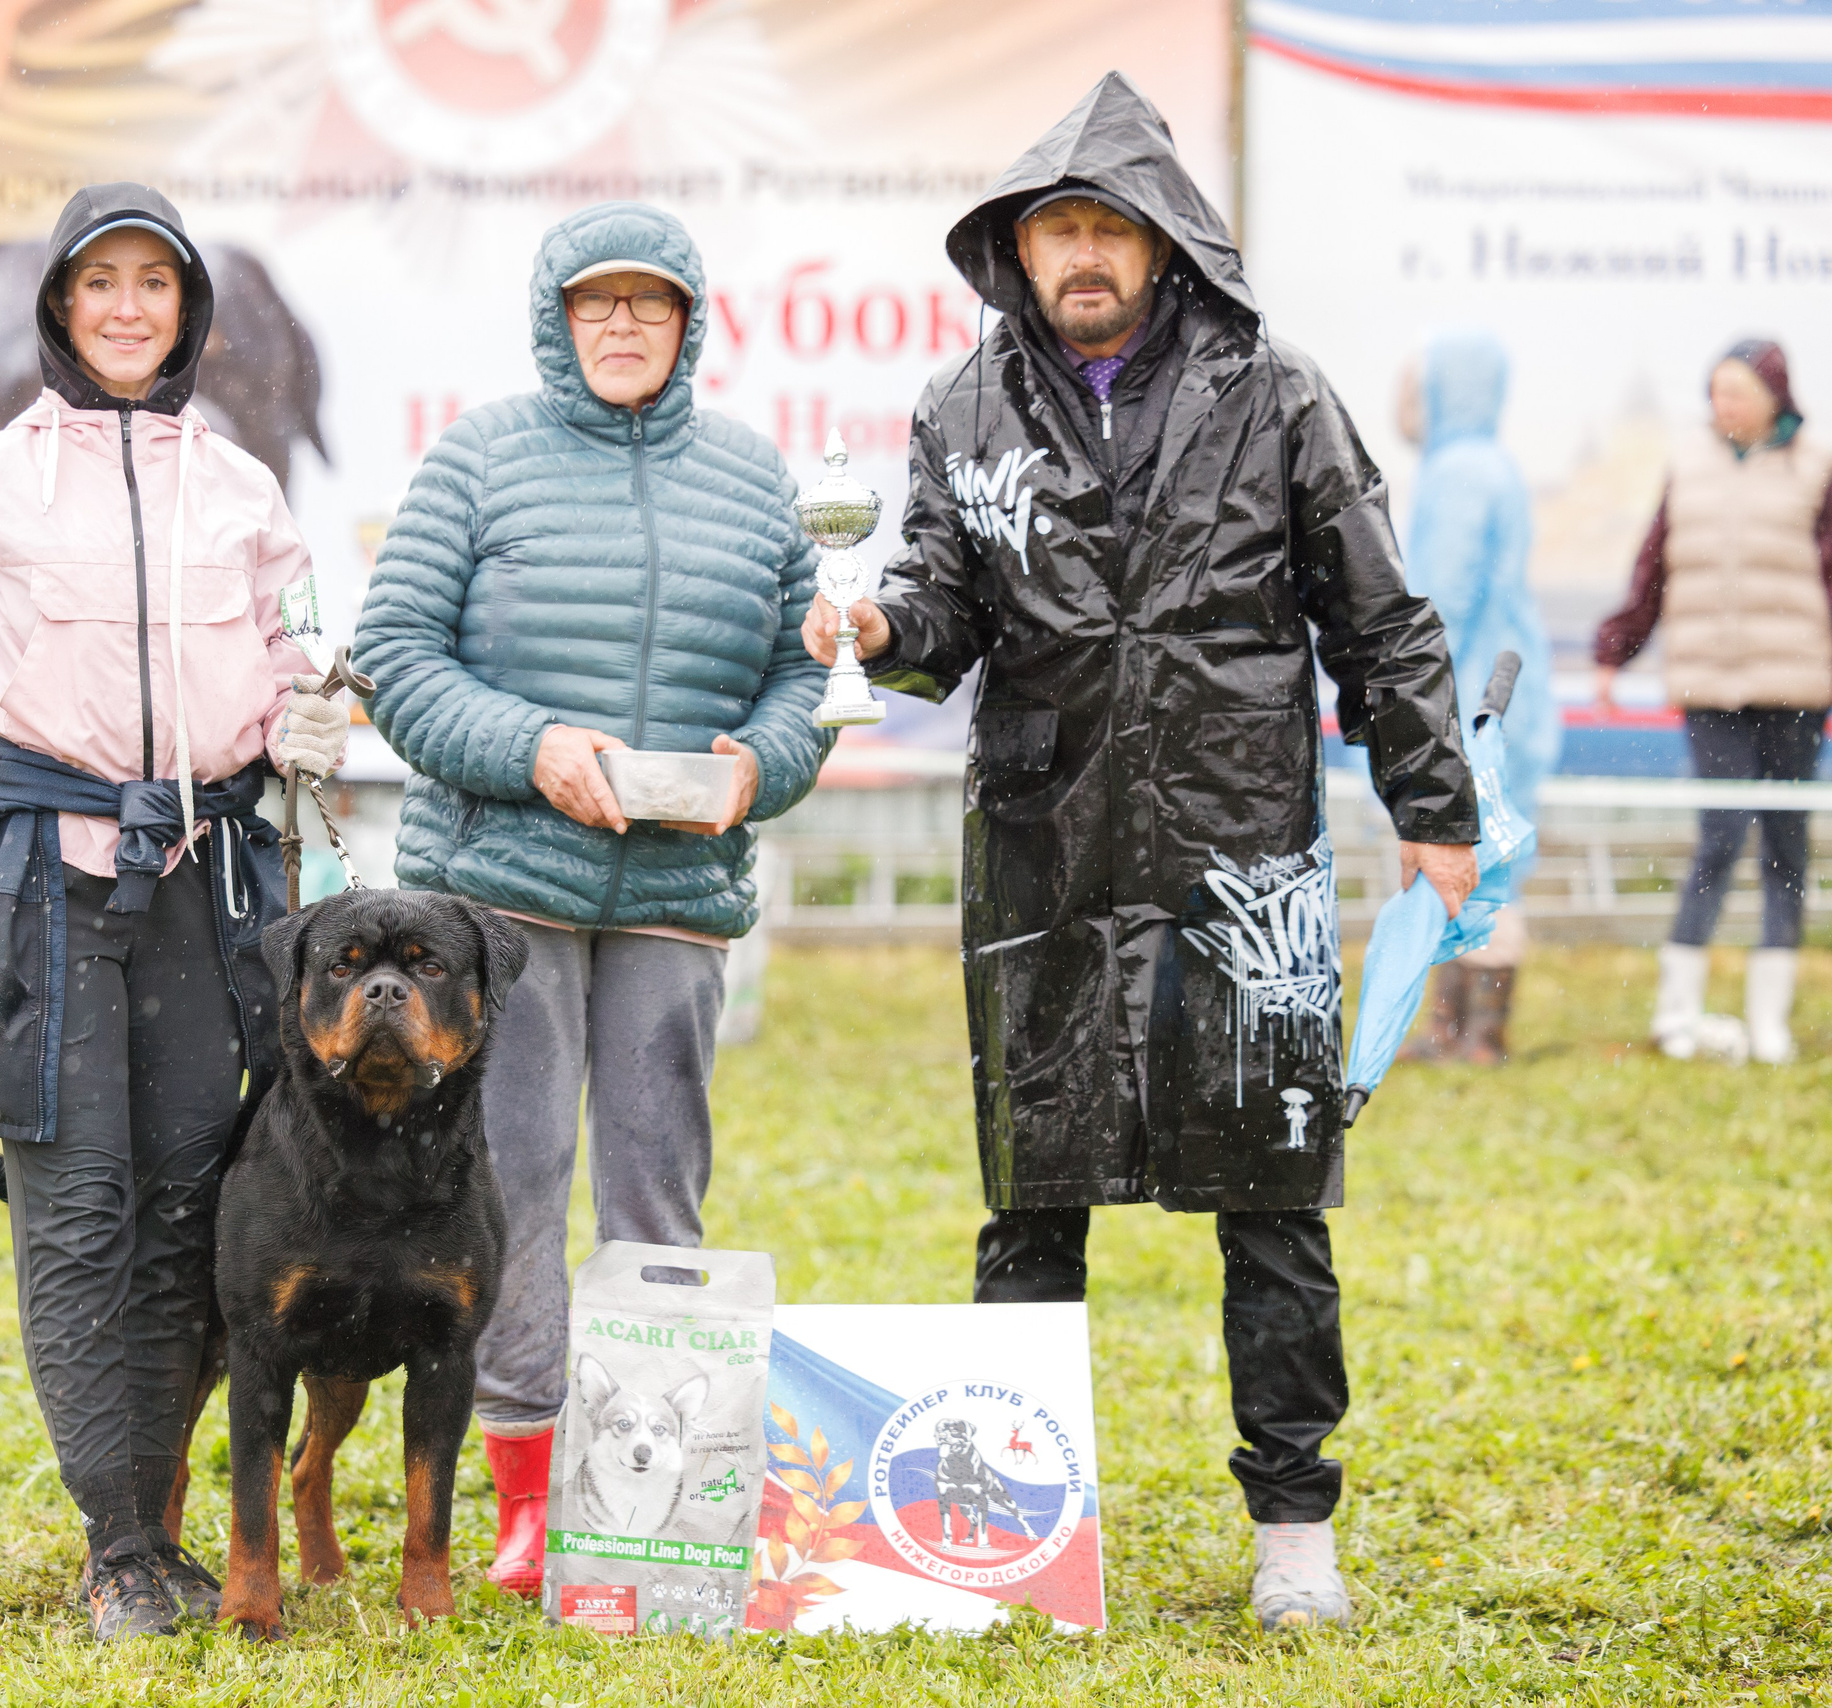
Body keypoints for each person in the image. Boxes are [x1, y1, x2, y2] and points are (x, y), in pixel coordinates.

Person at [806, 74, 1476, 1630]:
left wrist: (1432, 808)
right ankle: (1012, 1529)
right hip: (1041, 862)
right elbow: (939, 617)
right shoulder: (962, 412)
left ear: (1167, 244)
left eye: (1111, 227)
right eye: (1058, 233)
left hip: (1243, 865)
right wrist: (884, 628)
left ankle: (1296, 1523)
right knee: (1031, 1202)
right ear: (1020, 255)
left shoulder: (1277, 392)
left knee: (1273, 1200)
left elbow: (1380, 619)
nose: (1085, 256)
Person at [0, 183, 351, 1639]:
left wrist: (310, 712)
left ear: (187, 310)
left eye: (155, 284)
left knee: (194, 1212)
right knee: (78, 1213)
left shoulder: (242, 487)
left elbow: (289, 654)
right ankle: (120, 1546)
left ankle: (161, 1519)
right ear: (63, 310)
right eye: (102, 284)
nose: (129, 308)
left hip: (206, 891)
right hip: (38, 890)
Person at [351, 201, 828, 1597]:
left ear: (691, 323)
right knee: (511, 1180)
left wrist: (768, 763)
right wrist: (532, 748)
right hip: (502, 896)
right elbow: (394, 651)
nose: (624, 326)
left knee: (655, 1180)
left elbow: (804, 675)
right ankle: (524, 1489)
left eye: (652, 303)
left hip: (678, 889)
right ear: (556, 322)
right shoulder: (478, 458)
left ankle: (664, 1484)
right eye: (596, 304)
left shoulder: (754, 478)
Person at [1594, 340, 1832, 1066]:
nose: (1721, 407)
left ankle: (1770, 1021)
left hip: (1795, 684)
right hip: (1709, 685)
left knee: (1786, 845)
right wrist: (1616, 650)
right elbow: (1654, 567)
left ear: (1771, 397)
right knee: (1721, 832)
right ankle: (1678, 1009)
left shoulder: (1816, 468)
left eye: (1735, 393)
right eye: (1715, 393)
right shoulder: (1688, 466)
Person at [1394, 329, 1560, 1064]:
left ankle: (1471, 1034)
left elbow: (1441, 595)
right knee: (1484, 853)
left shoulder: (1457, 471)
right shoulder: (1490, 465)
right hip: (1503, 682)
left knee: (1471, 852)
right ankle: (1465, 1028)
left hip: (1468, 690)